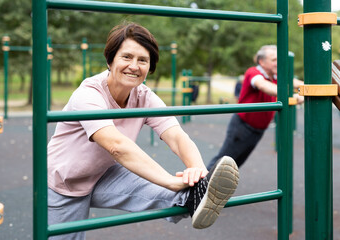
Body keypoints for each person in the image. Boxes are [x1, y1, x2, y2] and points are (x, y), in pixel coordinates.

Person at [47, 22, 239, 240]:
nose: (134, 66)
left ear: (150, 68)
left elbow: (176, 136)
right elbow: (117, 146)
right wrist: (170, 180)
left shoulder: (144, 96)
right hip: (67, 181)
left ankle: (194, 197)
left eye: (143, 60)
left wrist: (199, 171)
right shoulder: (89, 94)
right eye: (126, 57)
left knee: (167, 190)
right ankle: (188, 193)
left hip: (104, 173)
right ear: (110, 61)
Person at [207, 45, 303, 170]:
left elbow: (298, 84)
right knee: (222, 163)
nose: (278, 63)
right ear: (261, 62)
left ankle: (212, 187)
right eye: (274, 60)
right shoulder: (254, 73)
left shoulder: (276, 76)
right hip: (242, 127)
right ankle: (199, 187)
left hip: (258, 130)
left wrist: (310, 90)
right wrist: (292, 95)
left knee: (235, 166)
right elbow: (263, 86)